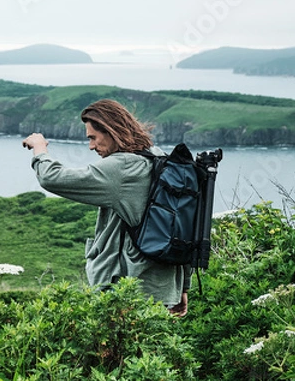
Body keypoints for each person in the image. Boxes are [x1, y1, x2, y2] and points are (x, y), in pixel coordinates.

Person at [22, 99, 190, 316]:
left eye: (93, 137)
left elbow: (52, 178)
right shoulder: (158, 157)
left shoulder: (122, 168)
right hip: (163, 288)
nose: (91, 146)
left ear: (112, 131)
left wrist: (40, 150)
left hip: (125, 292)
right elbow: (183, 226)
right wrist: (182, 287)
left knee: (117, 349)